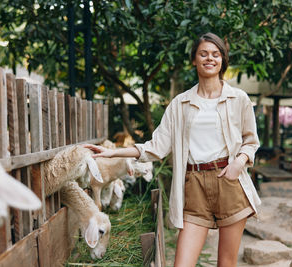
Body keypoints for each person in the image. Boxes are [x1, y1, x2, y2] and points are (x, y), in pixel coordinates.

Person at [85, 32, 261, 267]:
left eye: (216, 54)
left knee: (226, 263)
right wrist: (112, 152)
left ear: (222, 60)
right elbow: (156, 147)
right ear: (194, 60)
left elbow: (251, 141)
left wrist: (238, 163)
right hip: (194, 185)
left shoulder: (239, 99)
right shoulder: (180, 104)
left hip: (229, 181)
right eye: (203, 54)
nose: (210, 58)